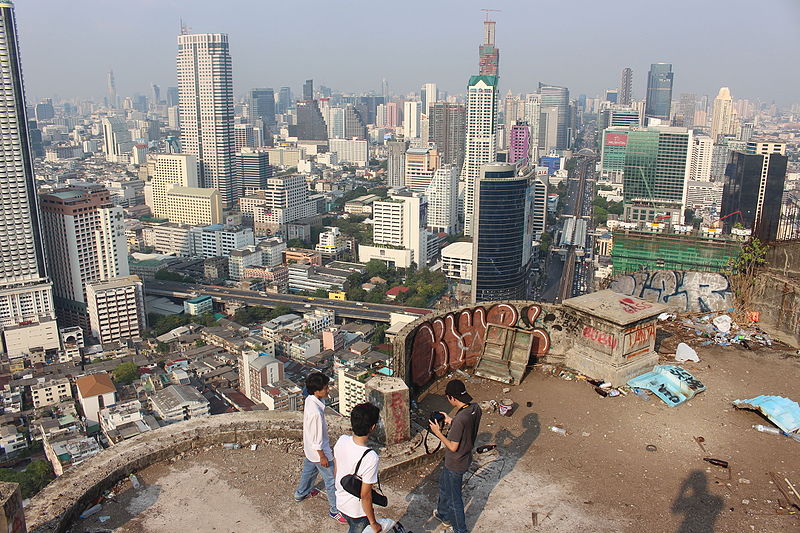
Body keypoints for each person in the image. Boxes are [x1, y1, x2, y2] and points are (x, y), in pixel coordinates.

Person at [428, 379, 482, 533]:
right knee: (444, 487)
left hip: (455, 463)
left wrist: (438, 433)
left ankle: (460, 529)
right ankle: (444, 515)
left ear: (452, 398)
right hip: (465, 458)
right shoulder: (475, 408)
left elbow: (452, 446)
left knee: (455, 500)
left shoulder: (460, 420)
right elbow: (465, 426)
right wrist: (450, 421)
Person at [294, 372, 346, 524]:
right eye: (325, 388)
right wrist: (323, 457)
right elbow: (317, 440)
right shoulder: (316, 413)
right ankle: (335, 510)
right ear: (316, 391)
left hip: (310, 450)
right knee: (331, 481)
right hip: (319, 452)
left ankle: (300, 494)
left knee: (308, 472)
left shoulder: (310, 400)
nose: (328, 390)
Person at [334, 402, 383, 533]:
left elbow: (336, 469)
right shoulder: (370, 457)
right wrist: (373, 523)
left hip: (340, 499)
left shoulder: (342, 440)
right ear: (372, 427)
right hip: (357, 510)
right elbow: (365, 495)